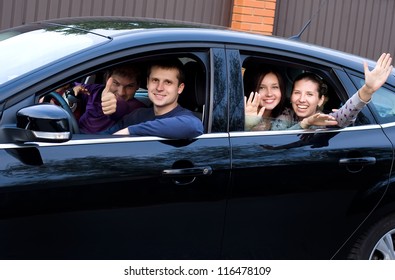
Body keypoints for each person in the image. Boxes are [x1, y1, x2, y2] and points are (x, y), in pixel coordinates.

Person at [245, 52, 393, 130]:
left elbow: (343, 116)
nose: (302, 99)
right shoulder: (285, 114)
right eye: (297, 93)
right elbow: (274, 139)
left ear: (321, 99)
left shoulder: (322, 119)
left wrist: (367, 90)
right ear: (290, 96)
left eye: (309, 94)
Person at [105, 58, 204, 139]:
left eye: (168, 82)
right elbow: (103, 137)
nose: (159, 88)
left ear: (180, 88)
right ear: (147, 83)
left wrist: (130, 131)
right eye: (155, 80)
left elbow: (193, 126)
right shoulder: (137, 115)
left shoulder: (185, 118)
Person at [69, 64, 146, 134]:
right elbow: (70, 84)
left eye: (129, 86)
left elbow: (122, 108)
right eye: (116, 83)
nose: (121, 93)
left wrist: (114, 105)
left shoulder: (138, 108)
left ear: (137, 86)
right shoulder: (95, 90)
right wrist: (74, 89)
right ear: (107, 79)